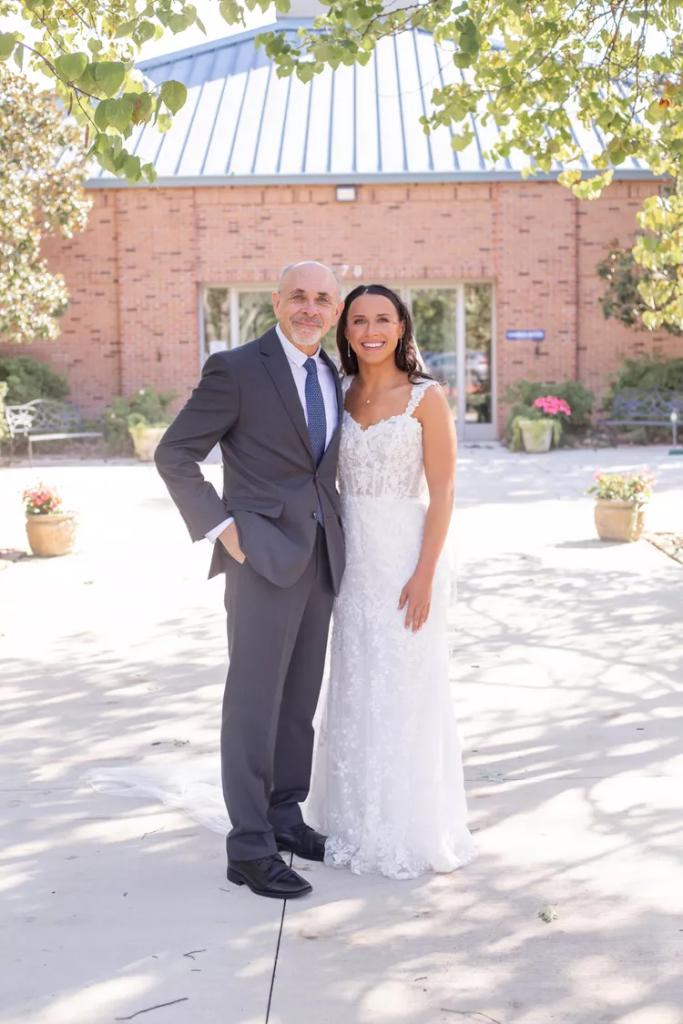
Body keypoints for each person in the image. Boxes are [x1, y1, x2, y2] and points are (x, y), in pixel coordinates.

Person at [154, 260, 345, 900]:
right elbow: (174, 453)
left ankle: (286, 819)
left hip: (321, 556)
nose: (310, 308)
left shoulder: (331, 372)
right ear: (277, 301)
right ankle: (249, 846)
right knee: (253, 703)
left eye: (322, 298)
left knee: (298, 701)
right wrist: (223, 530)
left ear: (334, 308)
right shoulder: (236, 369)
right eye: (299, 296)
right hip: (259, 556)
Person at [306, 284, 476, 878]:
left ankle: (409, 823)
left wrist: (426, 573)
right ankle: (349, 817)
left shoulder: (425, 398)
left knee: (406, 685)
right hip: (349, 561)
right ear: (345, 331)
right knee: (355, 682)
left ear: (402, 326)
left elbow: (445, 491)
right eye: (359, 320)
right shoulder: (336, 391)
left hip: (406, 558)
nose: (370, 329)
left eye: (383, 318)